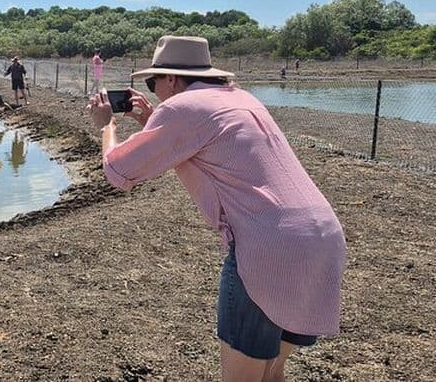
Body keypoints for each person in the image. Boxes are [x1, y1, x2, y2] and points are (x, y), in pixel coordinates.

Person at [87, 35, 346, 382]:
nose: (155, 91)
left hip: (268, 248)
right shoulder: (241, 98)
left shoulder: (182, 108)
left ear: (172, 79)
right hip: (321, 239)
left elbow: (118, 169)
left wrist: (106, 126)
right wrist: (153, 121)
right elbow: (201, 142)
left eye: (154, 82)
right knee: (271, 374)